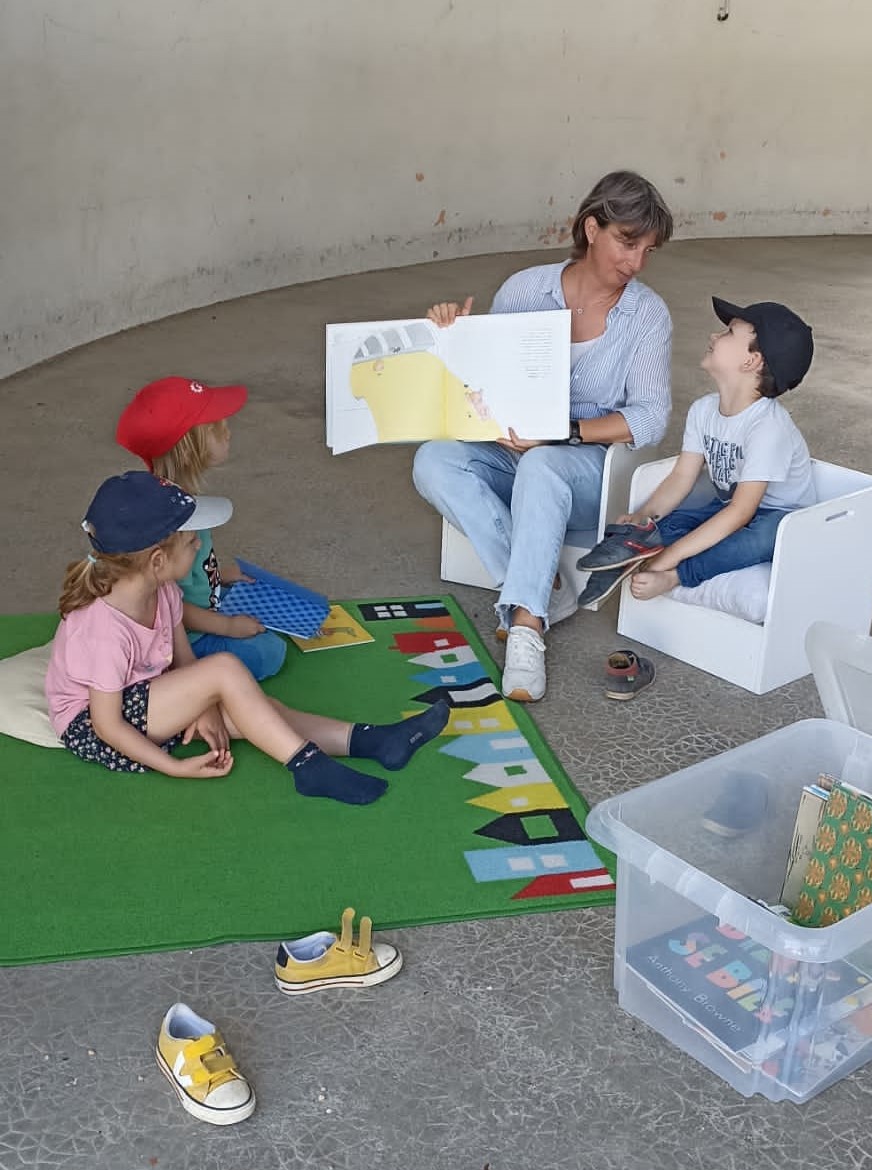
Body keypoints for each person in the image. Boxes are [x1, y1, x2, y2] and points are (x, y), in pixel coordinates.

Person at [412, 169, 674, 703]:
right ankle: (546, 585)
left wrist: (563, 433)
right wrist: (454, 339)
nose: (636, 263)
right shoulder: (525, 290)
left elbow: (651, 418)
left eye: (647, 250)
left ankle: (526, 628)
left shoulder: (647, 315)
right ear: (592, 228)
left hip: (590, 472)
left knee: (542, 464)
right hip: (513, 456)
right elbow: (483, 385)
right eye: (627, 242)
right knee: (432, 460)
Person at [44, 472, 449, 805]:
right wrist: (173, 767)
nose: (200, 545)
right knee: (224, 670)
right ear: (157, 560)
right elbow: (107, 725)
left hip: (143, 698)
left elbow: (185, 663)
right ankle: (307, 767)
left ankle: (374, 741)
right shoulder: (102, 630)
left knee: (259, 709)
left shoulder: (162, 590)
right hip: (94, 726)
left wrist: (203, 707)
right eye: (192, 541)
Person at [577, 297, 815, 604]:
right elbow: (682, 477)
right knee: (674, 523)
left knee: (760, 537)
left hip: (779, 518)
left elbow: (742, 511)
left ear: (752, 361)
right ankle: (631, 550)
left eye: (729, 333)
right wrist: (643, 517)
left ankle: (677, 575)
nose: (714, 336)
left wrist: (669, 559)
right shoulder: (703, 410)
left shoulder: (768, 427)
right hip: (729, 507)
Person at [116, 375, 287, 681]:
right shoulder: (170, 521)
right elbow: (170, 604)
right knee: (269, 652)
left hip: (205, 606)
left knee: (268, 606)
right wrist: (228, 627)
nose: (228, 433)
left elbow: (190, 572)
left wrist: (220, 574)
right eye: (216, 429)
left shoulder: (180, 496)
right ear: (188, 449)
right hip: (186, 637)